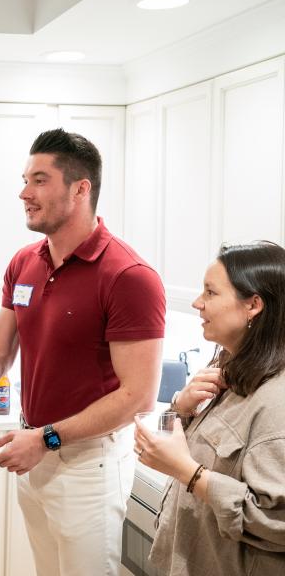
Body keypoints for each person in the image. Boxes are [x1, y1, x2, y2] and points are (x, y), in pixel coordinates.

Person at [0, 128, 166, 576]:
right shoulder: (25, 262)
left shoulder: (128, 276)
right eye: (25, 180)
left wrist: (45, 439)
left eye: (40, 180)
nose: (25, 192)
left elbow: (137, 397)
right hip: (36, 457)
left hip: (89, 467)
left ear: (81, 188)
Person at [135, 241, 285, 575]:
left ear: (253, 305)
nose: (197, 303)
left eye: (211, 293)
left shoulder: (276, 402)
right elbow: (167, 447)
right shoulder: (229, 370)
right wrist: (181, 408)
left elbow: (276, 523)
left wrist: (188, 473)